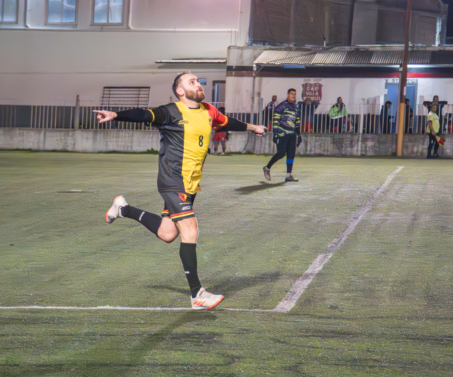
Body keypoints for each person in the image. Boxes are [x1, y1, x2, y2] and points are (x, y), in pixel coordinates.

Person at [96, 72, 267, 309]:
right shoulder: (170, 112)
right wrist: (117, 115)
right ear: (180, 90)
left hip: (190, 184)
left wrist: (253, 127)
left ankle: (123, 209)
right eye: (192, 82)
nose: (198, 85)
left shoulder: (209, 111)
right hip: (172, 180)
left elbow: (228, 122)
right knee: (190, 229)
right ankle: (197, 294)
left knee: (168, 233)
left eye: (198, 81)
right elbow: (145, 115)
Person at [265, 88, 301, 182]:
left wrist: (299, 135)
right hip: (282, 133)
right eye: (291, 94)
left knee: (291, 154)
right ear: (288, 95)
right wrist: (275, 133)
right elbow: (275, 120)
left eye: (295, 94)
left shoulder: (296, 107)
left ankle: (288, 175)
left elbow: (297, 122)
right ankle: (267, 167)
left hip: (292, 134)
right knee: (281, 153)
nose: (293, 96)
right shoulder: (281, 106)